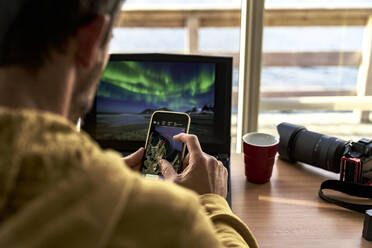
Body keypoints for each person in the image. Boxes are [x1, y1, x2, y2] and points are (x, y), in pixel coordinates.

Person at [0, 0, 259, 247]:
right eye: (108, 41)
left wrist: (100, 179)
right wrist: (211, 201)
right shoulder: (176, 223)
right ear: (90, 41)